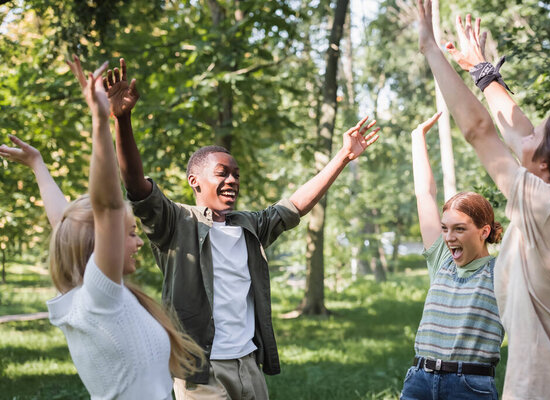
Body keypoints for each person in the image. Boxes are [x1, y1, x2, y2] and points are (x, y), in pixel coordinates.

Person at [101, 58, 380, 399]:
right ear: (195, 181)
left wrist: (343, 157)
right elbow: (135, 185)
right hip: (201, 370)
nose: (232, 179)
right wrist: (123, 119)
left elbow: (295, 205)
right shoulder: (176, 223)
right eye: (222, 173)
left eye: (235, 174)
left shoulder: (249, 226)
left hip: (247, 363)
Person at [417, 1, 550, 398]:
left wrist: (431, 47)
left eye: (538, 135)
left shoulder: (549, 209)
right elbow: (517, 132)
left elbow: (480, 130)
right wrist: (483, 74)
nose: (526, 136)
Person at [1, 57, 205, 399]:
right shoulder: (100, 298)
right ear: (101, 244)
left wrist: (38, 165)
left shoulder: (84, 296)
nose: (139, 242)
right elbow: (108, 206)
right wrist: (99, 121)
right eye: (130, 233)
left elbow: (64, 224)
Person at [400, 111, 504, 400]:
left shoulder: (502, 270)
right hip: (419, 380)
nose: (448, 237)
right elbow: (425, 194)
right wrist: (417, 138)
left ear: (483, 231)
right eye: (445, 228)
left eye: (459, 229)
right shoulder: (442, 261)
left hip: (470, 385)